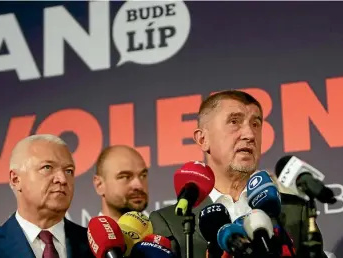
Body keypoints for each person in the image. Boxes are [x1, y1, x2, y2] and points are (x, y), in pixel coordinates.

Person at [149, 90, 327, 258]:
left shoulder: (295, 211)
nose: (250, 134)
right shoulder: (169, 222)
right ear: (203, 139)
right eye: (234, 122)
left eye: (255, 124)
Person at [0, 134, 94, 258]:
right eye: (47, 167)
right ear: (16, 179)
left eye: (69, 171)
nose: (62, 179)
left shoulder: (97, 247)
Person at [93, 145, 149, 221]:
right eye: (125, 177)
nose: (139, 185)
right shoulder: (83, 233)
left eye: (143, 176)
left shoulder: (162, 232)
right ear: (99, 185)